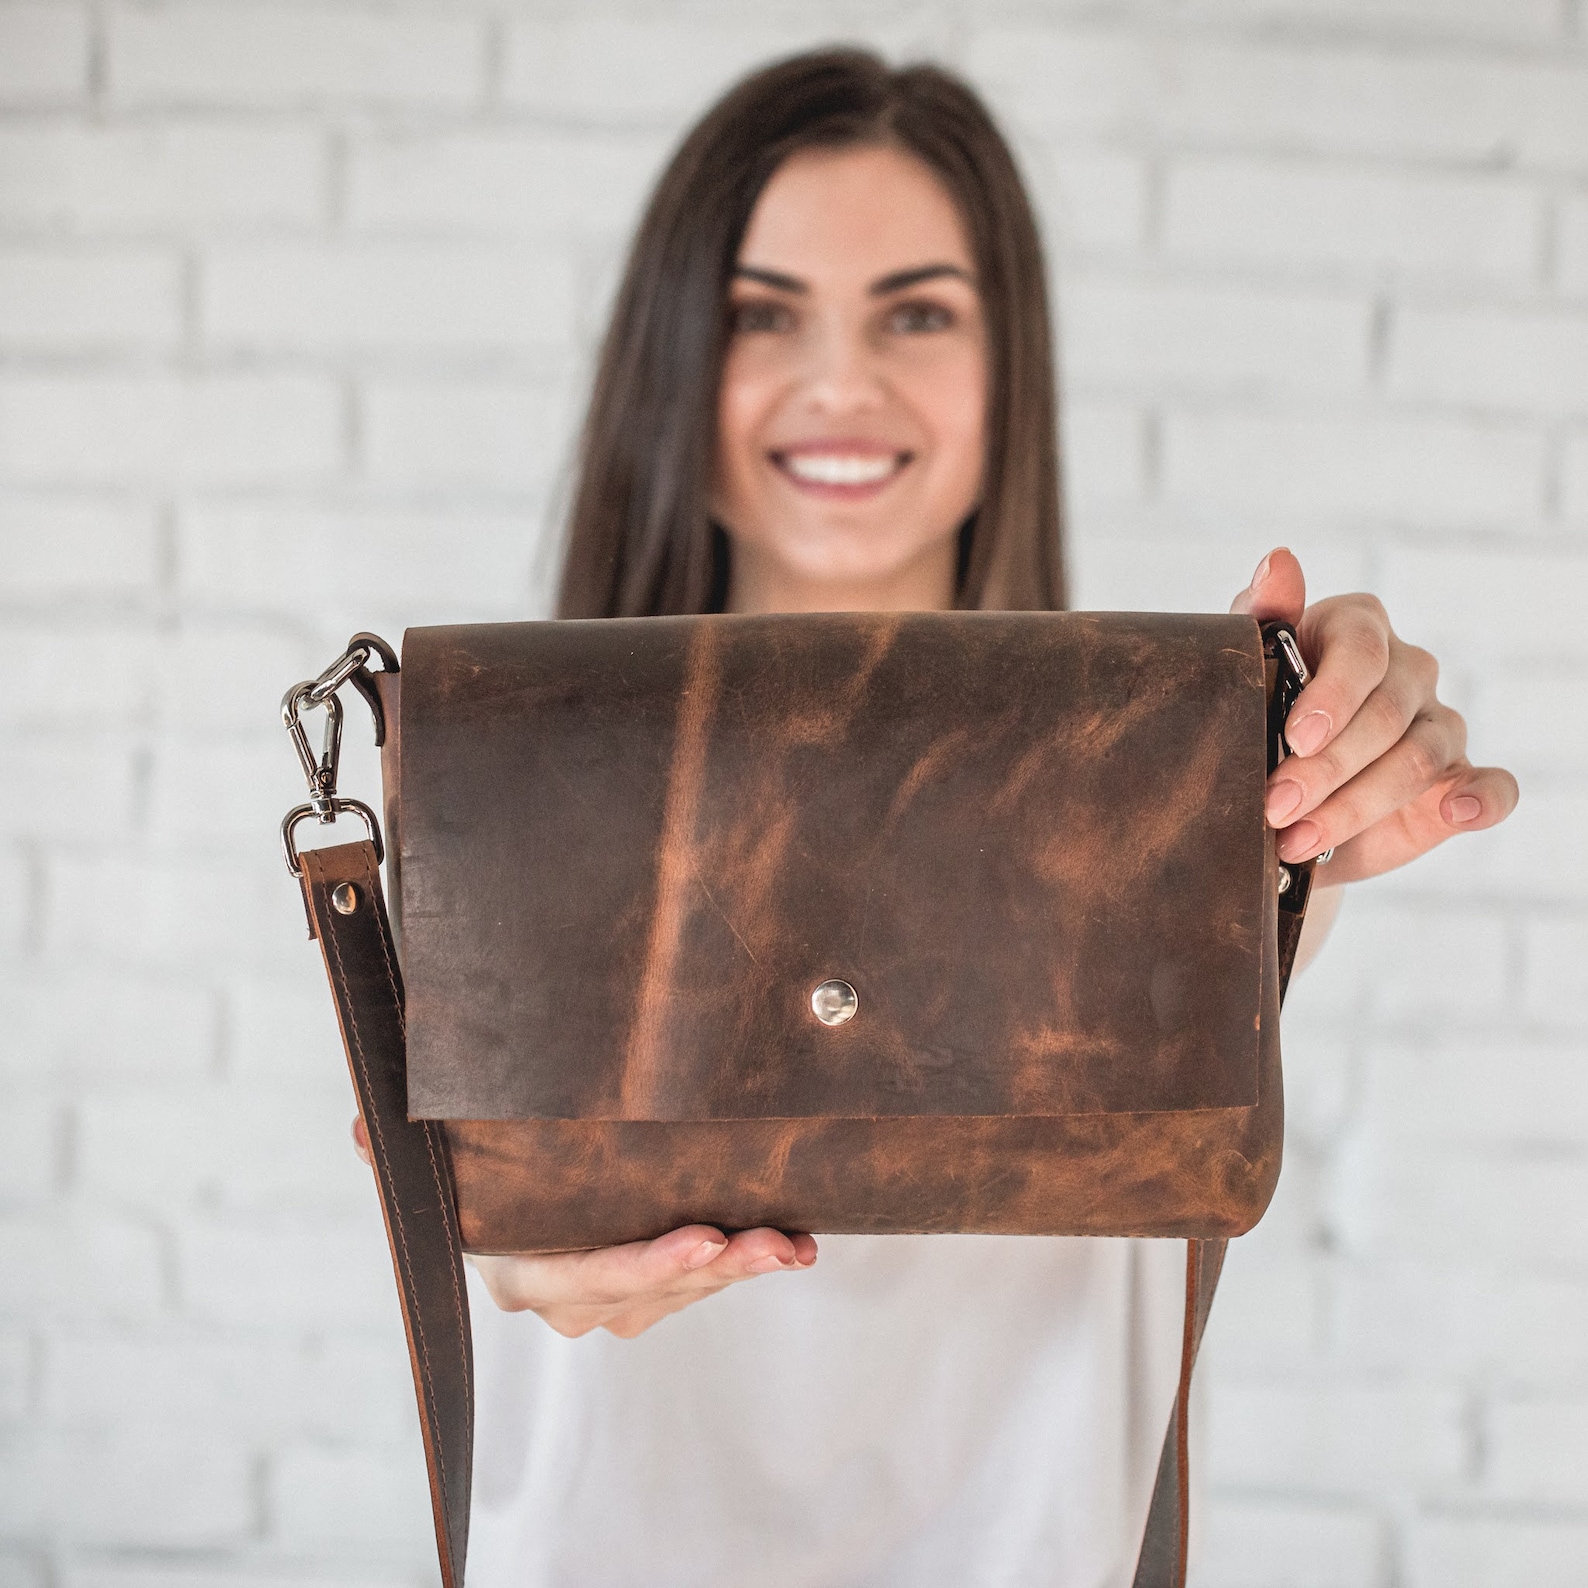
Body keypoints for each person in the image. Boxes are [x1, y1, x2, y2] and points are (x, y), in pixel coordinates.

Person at [355, 50, 1517, 1587]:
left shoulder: (1179, 789)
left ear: (1005, 367)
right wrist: (497, 1255)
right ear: (672, 361)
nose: (842, 383)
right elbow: (439, 1193)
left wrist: (1331, 729)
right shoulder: (486, 789)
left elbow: (1333, 818)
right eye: (763, 314)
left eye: (917, 312)